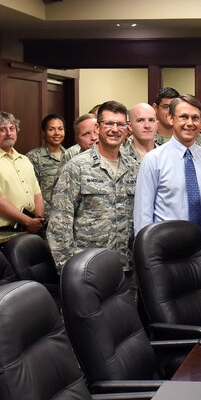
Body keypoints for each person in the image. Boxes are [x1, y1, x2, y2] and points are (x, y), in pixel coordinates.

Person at [134, 94, 201, 277]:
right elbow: (143, 217)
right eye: (183, 117)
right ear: (170, 118)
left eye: (195, 118)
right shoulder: (153, 160)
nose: (189, 123)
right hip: (165, 249)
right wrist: (148, 262)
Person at [48, 101, 139, 283]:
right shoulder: (77, 167)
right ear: (97, 127)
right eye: (109, 124)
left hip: (127, 269)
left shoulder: (135, 167)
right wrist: (68, 269)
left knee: (125, 312)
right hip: (88, 269)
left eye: (120, 124)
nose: (115, 129)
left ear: (127, 129)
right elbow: (60, 223)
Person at [26, 114, 69, 216]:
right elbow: (31, 191)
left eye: (60, 129)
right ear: (44, 132)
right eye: (51, 129)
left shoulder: (70, 155)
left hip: (69, 216)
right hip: (45, 217)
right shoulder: (33, 157)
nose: (57, 133)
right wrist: (53, 216)